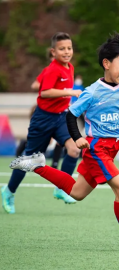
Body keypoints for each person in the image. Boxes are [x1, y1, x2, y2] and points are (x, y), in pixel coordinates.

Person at [9, 33, 119, 250]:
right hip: (97, 148)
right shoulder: (92, 92)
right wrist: (77, 137)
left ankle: (38, 164)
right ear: (106, 63)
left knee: (77, 193)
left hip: (112, 148)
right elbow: (70, 115)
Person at [1, 32, 82, 214]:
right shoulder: (52, 69)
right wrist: (69, 92)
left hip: (61, 117)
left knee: (75, 149)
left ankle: (61, 188)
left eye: (69, 48)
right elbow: (44, 92)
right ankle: (8, 191)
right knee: (28, 160)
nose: (67, 52)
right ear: (53, 52)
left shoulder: (70, 67)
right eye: (62, 49)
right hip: (43, 120)